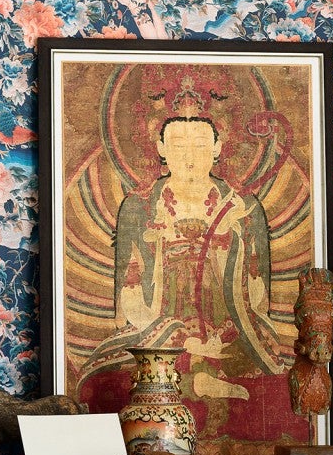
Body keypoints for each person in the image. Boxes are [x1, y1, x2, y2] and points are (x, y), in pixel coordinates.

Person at [83, 112, 289, 401]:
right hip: (159, 325)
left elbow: (257, 297)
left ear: (217, 147)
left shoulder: (242, 206)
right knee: (103, 379)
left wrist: (229, 242)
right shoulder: (139, 207)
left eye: (201, 145)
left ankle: (196, 378)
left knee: (268, 368)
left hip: (231, 323)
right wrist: (180, 337)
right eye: (179, 145)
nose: (189, 156)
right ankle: (197, 380)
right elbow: (129, 296)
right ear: (161, 149)